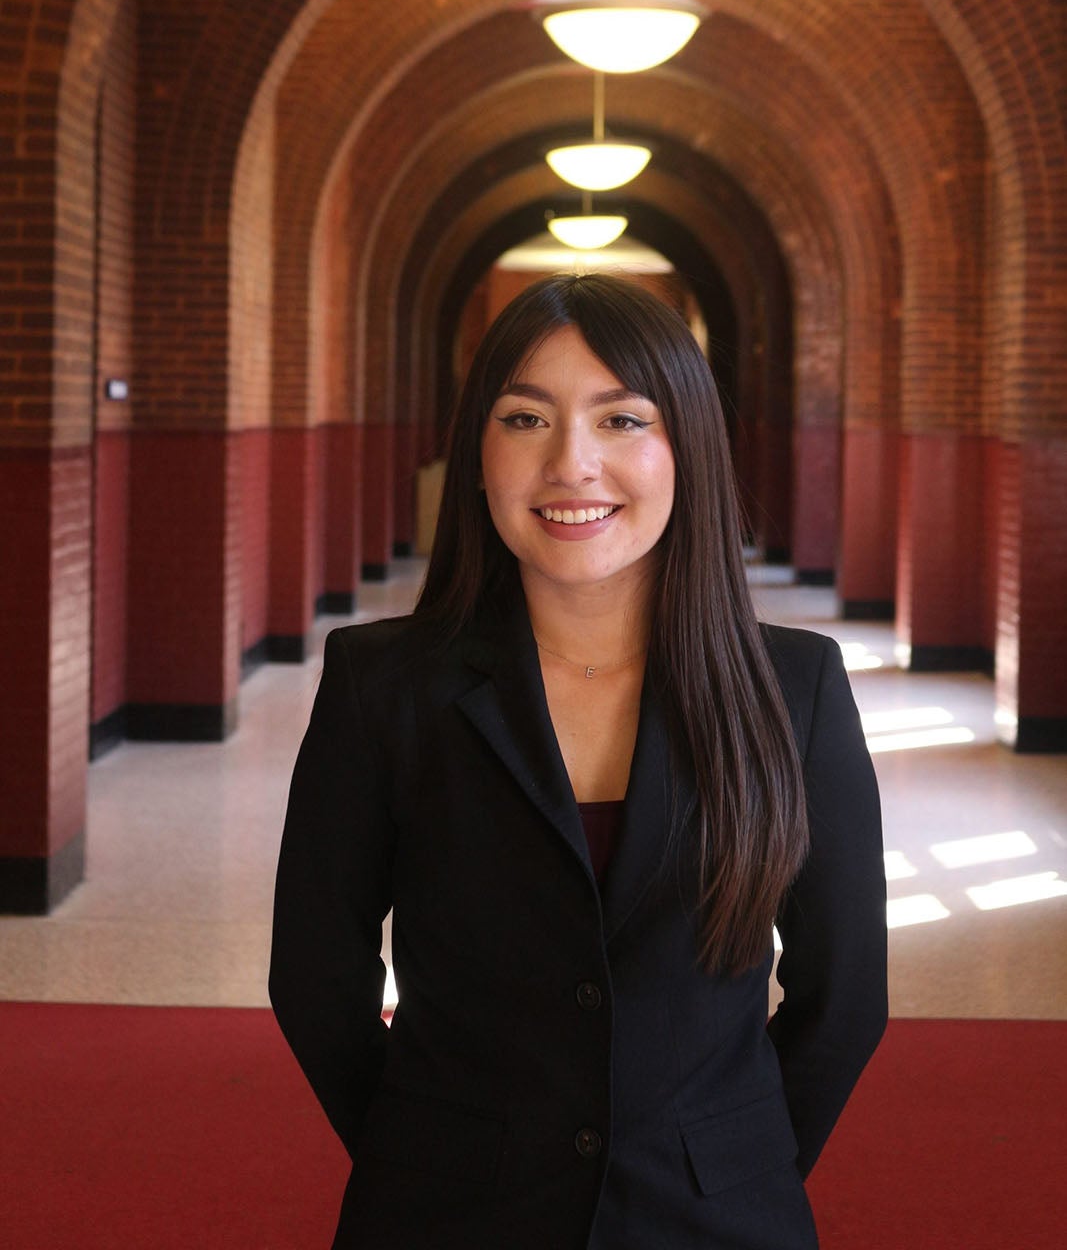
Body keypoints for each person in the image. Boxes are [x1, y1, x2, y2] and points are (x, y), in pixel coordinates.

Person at [270, 272, 887, 1249]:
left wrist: (731, 1157)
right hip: (445, 1213)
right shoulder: (380, 685)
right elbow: (313, 974)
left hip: (714, 1217)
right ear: (475, 455)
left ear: (685, 448)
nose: (571, 463)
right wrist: (422, 1146)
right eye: (524, 419)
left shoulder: (792, 687)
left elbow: (843, 994)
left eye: (620, 419)